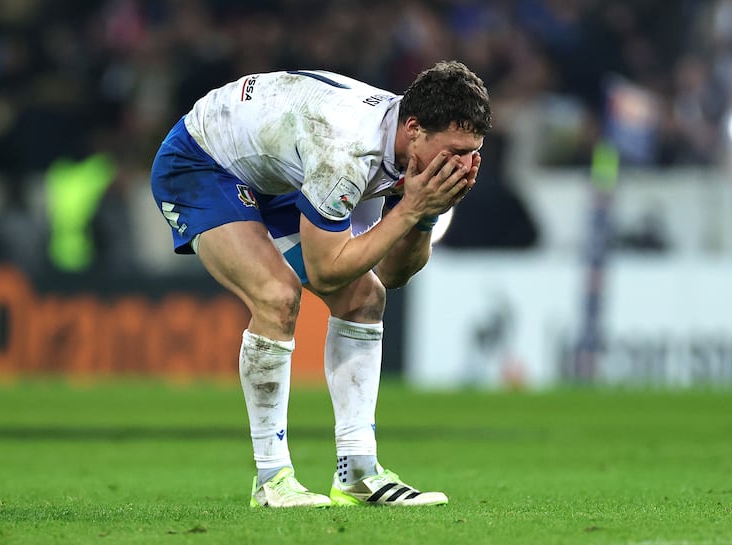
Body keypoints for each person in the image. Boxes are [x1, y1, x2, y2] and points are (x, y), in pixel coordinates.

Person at [150, 61, 491, 507]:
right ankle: (271, 480)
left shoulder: (409, 149)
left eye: (473, 152)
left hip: (275, 171)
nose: (465, 165)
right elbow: (328, 268)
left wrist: (426, 212)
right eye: (457, 150)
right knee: (277, 297)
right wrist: (407, 210)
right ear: (414, 129)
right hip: (201, 163)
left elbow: (393, 273)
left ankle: (358, 473)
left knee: (367, 298)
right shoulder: (346, 151)